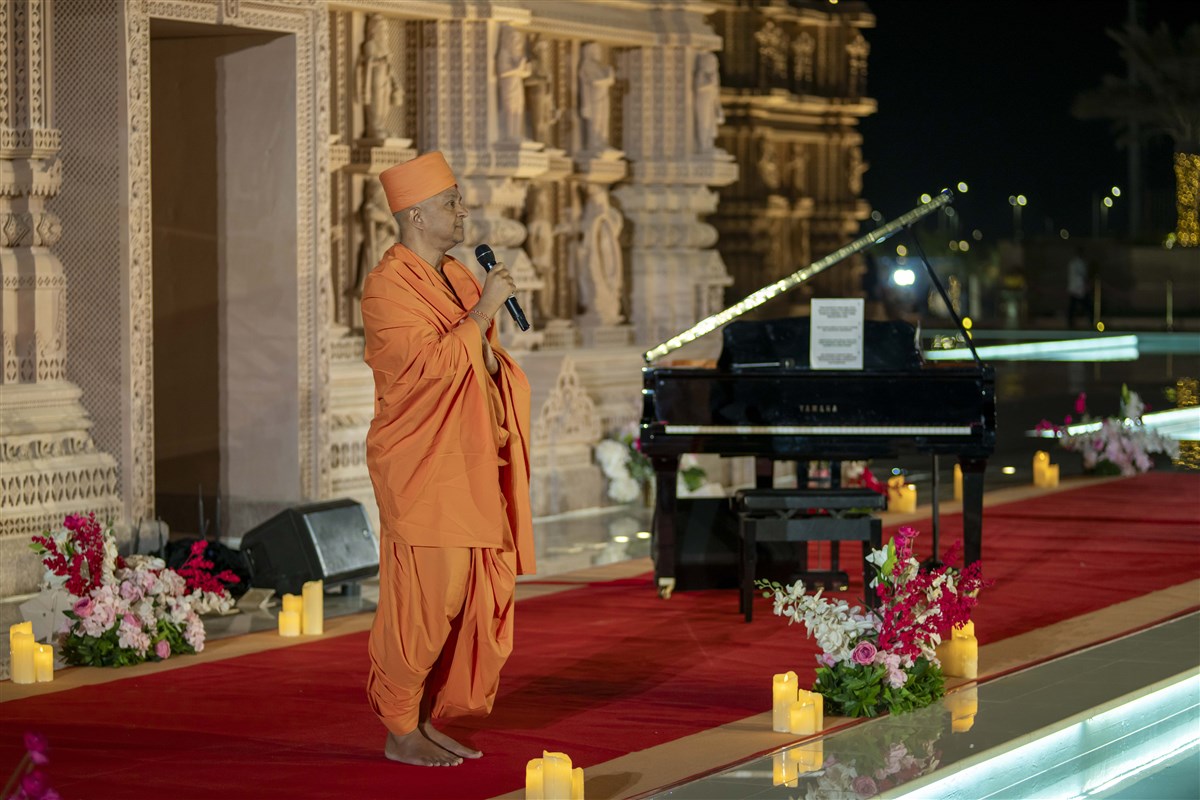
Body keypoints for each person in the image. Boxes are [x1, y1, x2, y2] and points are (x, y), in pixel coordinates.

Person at [361, 151, 535, 767]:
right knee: (429, 599)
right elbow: (425, 373)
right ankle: (399, 725)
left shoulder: (461, 276)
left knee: (466, 599)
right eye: (450, 202)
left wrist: (486, 337)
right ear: (413, 215)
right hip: (423, 465)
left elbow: (482, 364)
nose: (462, 212)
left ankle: (427, 717)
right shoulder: (386, 286)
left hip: (470, 459)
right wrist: (486, 311)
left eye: (459, 200)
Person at [1066, 246, 1090, 328]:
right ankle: (1070, 322)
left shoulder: (1080, 263)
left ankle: (1090, 320)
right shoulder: (1074, 263)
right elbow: (1078, 276)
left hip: (1080, 288)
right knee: (1074, 307)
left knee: (1086, 306)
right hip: (1076, 288)